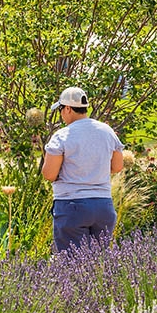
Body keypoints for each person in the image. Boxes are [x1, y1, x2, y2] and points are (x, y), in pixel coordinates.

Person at [42, 87, 124, 254]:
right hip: (103, 206)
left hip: (72, 206)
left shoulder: (62, 136)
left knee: (72, 264)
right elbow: (117, 167)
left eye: (60, 110)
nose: (61, 115)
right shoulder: (107, 131)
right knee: (98, 264)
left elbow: (49, 174)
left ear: (67, 109)